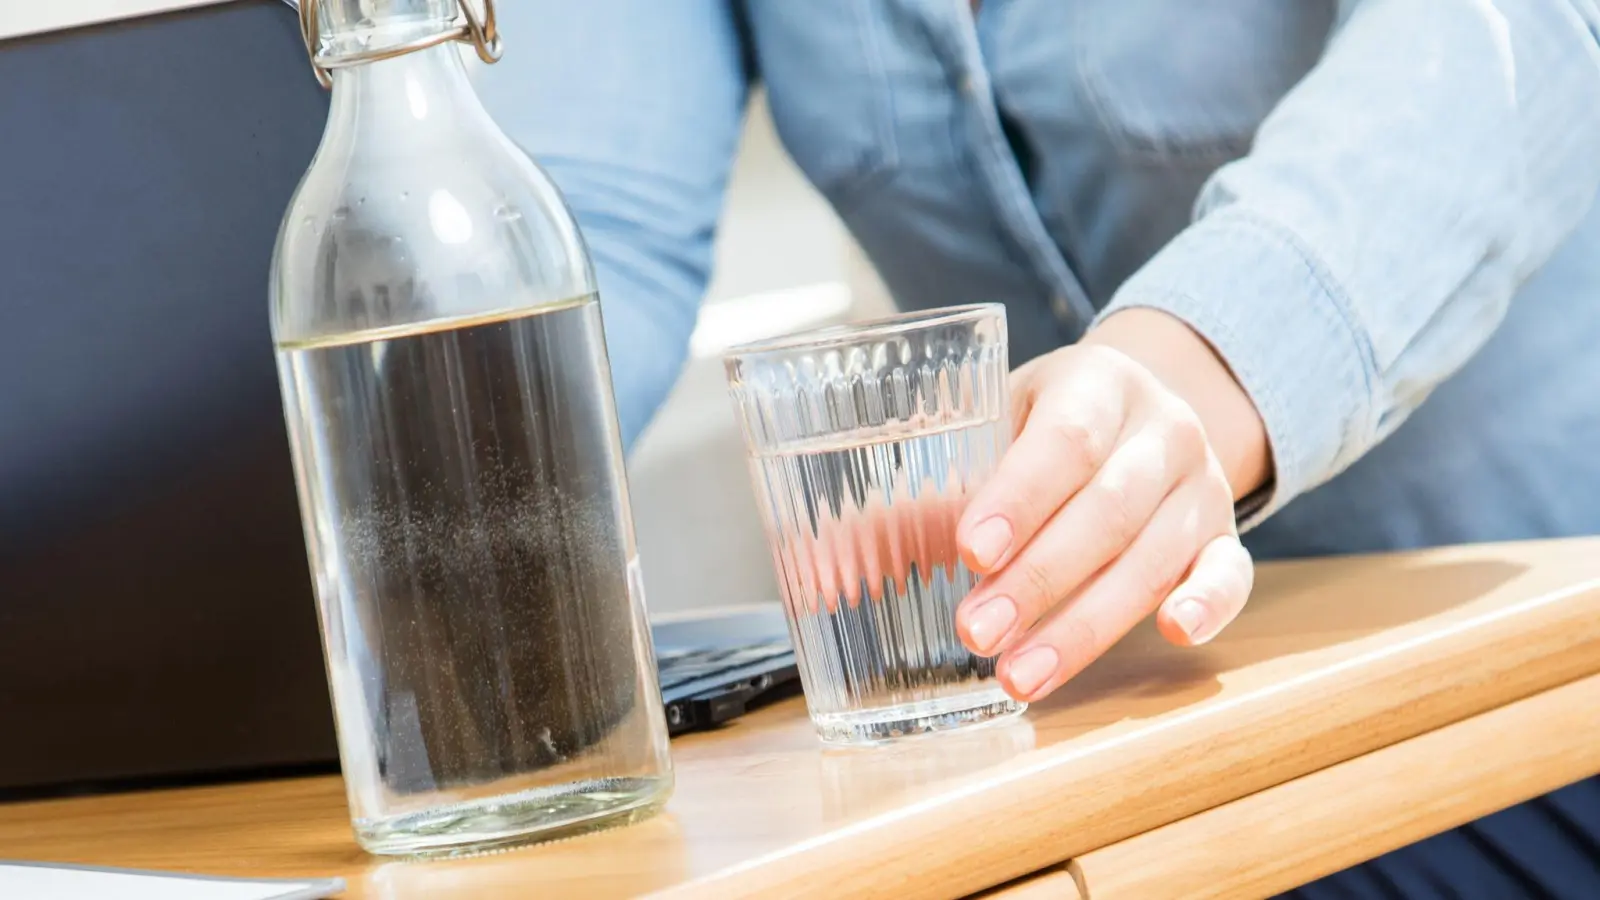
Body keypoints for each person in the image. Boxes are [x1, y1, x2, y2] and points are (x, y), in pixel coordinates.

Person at [476, 1, 1600, 895]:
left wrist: (1196, 369)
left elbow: (1512, 33)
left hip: (1532, 674)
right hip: (1106, 740)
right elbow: (590, 225)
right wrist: (419, 515)